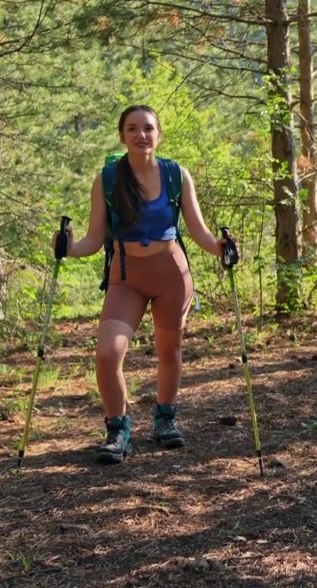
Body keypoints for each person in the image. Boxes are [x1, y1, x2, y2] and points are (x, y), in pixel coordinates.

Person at [55, 104, 226, 464]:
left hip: (171, 275)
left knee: (169, 351)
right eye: (132, 128)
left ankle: (165, 419)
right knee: (107, 353)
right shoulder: (108, 179)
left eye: (148, 128)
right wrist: (68, 249)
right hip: (127, 276)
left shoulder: (176, 174)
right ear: (122, 136)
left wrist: (222, 248)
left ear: (158, 134)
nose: (141, 135)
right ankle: (118, 429)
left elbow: (198, 231)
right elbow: (93, 240)